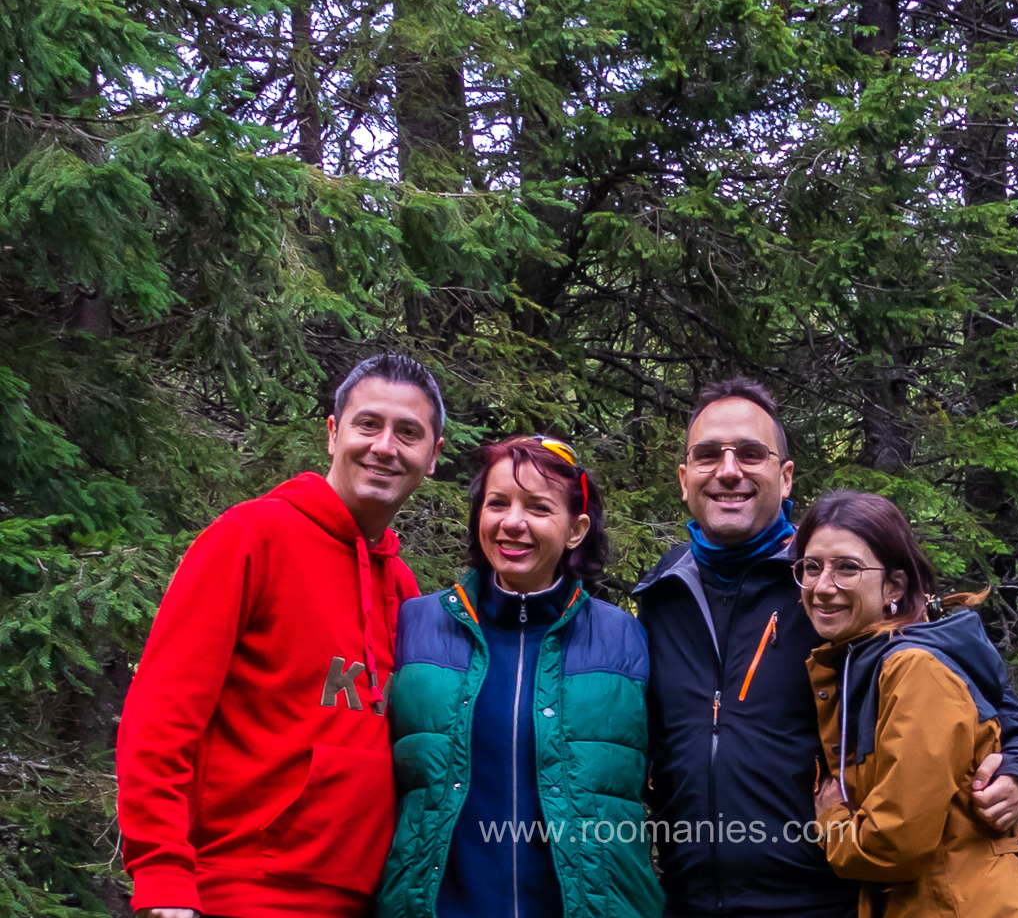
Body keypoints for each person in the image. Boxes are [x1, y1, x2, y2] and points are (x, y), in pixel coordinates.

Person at [633, 377, 1018, 918]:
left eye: (751, 454)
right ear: (684, 477)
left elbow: (989, 708)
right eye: (709, 455)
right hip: (688, 901)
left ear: (785, 477)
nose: (729, 470)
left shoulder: (834, 591)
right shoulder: (660, 597)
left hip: (827, 899)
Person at [116, 353, 446, 918]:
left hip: (367, 901)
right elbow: (162, 716)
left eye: (408, 433)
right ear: (333, 433)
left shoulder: (404, 588)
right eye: (368, 424)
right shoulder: (249, 538)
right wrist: (163, 877)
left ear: (432, 457)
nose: (385, 446)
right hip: (239, 893)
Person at [377, 436, 664, 918]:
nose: (513, 522)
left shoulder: (625, 639)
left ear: (576, 529)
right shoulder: (416, 627)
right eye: (497, 503)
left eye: (538, 507)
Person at [798, 489, 1018, 918]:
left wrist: (831, 818)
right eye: (812, 568)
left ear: (894, 586)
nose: (823, 587)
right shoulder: (860, 660)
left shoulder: (914, 670)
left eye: (847, 568)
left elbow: (894, 844)